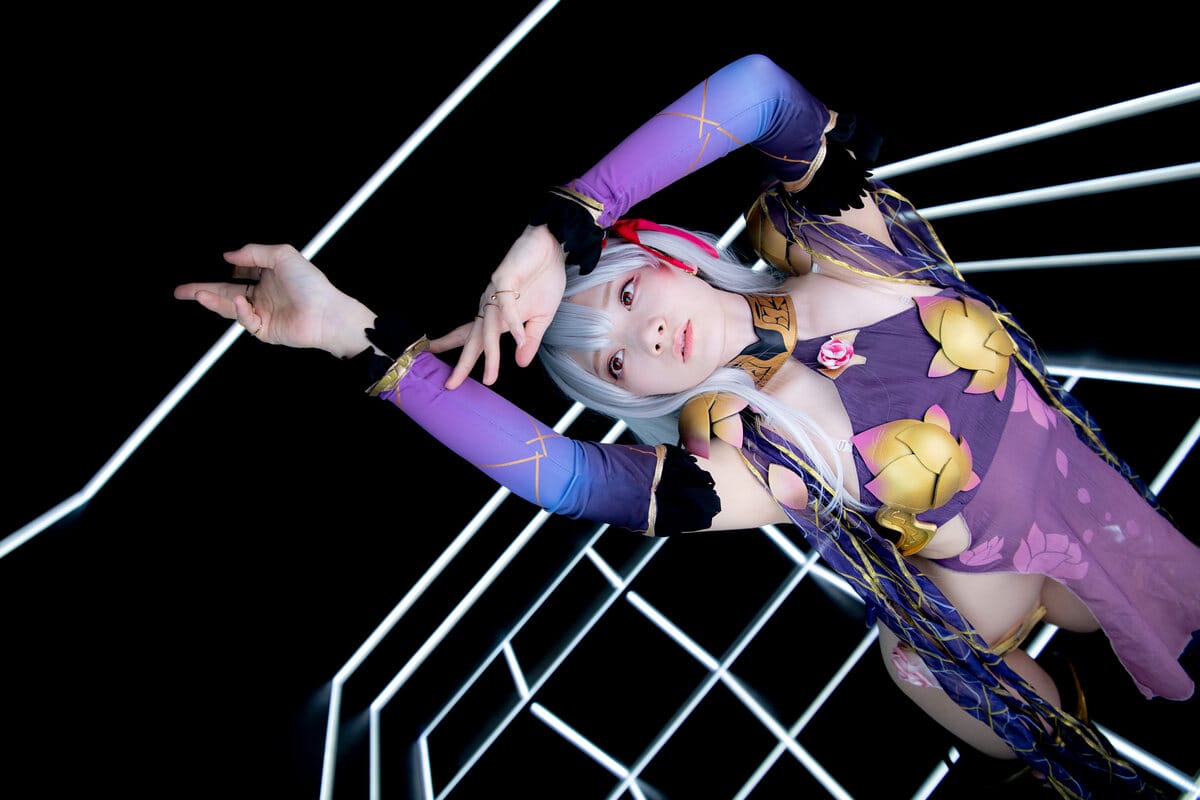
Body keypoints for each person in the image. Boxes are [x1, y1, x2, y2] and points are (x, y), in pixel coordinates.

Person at [175, 54, 1199, 798]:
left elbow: (760, 90)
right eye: (616, 364)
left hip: (1087, 494)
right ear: (633, 394)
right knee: (965, 686)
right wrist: (352, 333)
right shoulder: (756, 454)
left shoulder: (843, 238)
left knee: (1140, 605)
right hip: (987, 587)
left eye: (625, 296)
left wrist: (566, 222)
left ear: (665, 257)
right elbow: (562, 476)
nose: (647, 335)